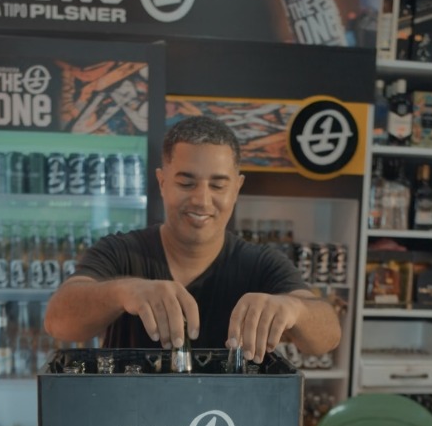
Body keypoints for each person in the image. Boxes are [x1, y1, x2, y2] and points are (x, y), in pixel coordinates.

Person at [43, 116, 341, 363]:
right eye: (186, 183)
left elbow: (327, 336)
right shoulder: (120, 252)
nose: (201, 199)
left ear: (236, 188)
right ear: (162, 183)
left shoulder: (261, 264)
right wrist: (124, 292)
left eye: (218, 185)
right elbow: (58, 321)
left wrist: (293, 309)